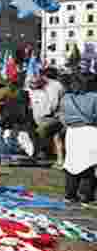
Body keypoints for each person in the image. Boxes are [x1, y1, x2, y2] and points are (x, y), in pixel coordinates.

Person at [61, 72, 97, 205]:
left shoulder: (66, 97)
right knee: (89, 165)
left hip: (72, 132)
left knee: (72, 164)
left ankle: (70, 194)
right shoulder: (95, 97)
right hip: (91, 131)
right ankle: (85, 195)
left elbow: (63, 116)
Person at [28, 70, 66, 167]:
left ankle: (58, 159)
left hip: (52, 116)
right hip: (46, 116)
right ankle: (59, 159)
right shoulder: (40, 87)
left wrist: (48, 113)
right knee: (56, 138)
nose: (33, 85)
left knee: (54, 137)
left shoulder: (54, 86)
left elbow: (53, 104)